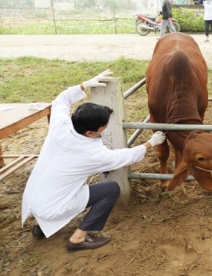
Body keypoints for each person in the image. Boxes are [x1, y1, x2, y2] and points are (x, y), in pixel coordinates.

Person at [21, 70, 167, 251]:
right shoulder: (92, 152)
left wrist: (84, 85)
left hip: (32, 196)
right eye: (103, 128)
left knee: (58, 189)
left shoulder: (61, 125)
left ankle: (41, 227)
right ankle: (78, 238)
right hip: (52, 206)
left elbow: (61, 100)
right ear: (90, 133)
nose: (105, 130)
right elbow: (123, 157)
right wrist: (149, 144)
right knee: (111, 190)